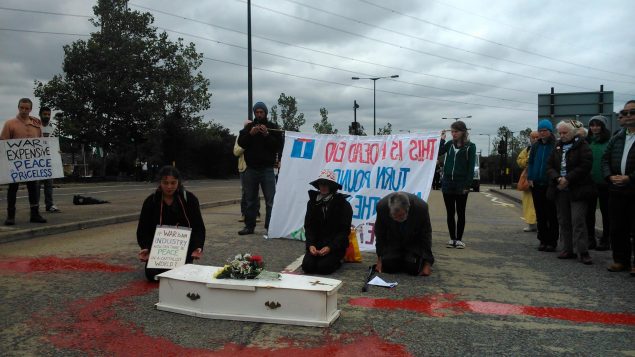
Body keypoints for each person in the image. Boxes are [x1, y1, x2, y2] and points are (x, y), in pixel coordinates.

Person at [136, 166, 206, 281]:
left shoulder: (190, 199)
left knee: (184, 274)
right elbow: (143, 229)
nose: (169, 187)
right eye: (165, 183)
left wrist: (197, 246)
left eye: (173, 183)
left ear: (178, 182)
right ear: (160, 182)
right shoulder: (151, 201)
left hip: (183, 249)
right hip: (159, 251)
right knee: (152, 274)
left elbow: (198, 226)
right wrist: (146, 247)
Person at [546, 120, 594, 265]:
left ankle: (582, 251)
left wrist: (568, 178)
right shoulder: (557, 146)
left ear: (573, 132)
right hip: (560, 190)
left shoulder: (582, 145)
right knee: (564, 220)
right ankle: (567, 249)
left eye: (565, 132)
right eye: (560, 133)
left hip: (578, 189)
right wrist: (557, 178)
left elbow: (585, 165)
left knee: (578, 220)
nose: (562, 135)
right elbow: (549, 166)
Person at [236, 102, 282, 235]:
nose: (259, 114)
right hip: (251, 169)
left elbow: (277, 145)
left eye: (262, 112)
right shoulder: (249, 127)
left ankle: (270, 227)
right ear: (254, 113)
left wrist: (267, 134)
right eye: (257, 112)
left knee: (270, 200)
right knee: (250, 200)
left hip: (267, 169)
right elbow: (241, 143)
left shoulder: (273, 128)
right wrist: (250, 134)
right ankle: (249, 227)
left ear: (266, 113)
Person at [1, 98, 47, 225]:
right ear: (18, 107)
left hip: (32, 165)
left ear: (31, 109)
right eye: (22, 107)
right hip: (14, 165)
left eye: (27, 108)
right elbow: (3, 143)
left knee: (33, 188)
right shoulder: (10, 124)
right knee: (12, 189)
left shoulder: (36, 125)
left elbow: (41, 144)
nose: (24, 110)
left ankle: (35, 214)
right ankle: (10, 216)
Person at [602, 100, 635, 275]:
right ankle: (620, 260)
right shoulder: (618, 137)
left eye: (632, 112)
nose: (628, 115)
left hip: (632, 188)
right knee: (617, 227)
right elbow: (605, 159)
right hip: (616, 190)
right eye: (625, 112)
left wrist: (629, 177)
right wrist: (609, 176)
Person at [301, 169, 353, 275]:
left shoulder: (344, 205)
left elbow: (344, 231)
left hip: (335, 246)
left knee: (324, 268)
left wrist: (330, 247)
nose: (323, 186)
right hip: (317, 244)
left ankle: (339, 259)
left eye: (327, 184)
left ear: (332, 186)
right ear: (318, 185)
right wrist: (311, 245)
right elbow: (309, 226)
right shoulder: (312, 203)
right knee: (307, 267)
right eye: (321, 184)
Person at [374, 192, 434, 276]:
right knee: (388, 266)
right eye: (394, 216)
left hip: (413, 241)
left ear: (408, 209)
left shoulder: (421, 208)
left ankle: (410, 259)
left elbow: (426, 235)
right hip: (393, 240)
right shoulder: (382, 207)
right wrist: (379, 259)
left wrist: (427, 264)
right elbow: (380, 233)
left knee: (413, 269)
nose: (398, 219)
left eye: (401, 216)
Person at [439, 120, 476, 248]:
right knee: (450, 212)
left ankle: (459, 239)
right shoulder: (449, 144)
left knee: (460, 212)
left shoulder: (470, 147)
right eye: (452, 131)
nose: (454, 134)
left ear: (463, 132)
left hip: (461, 183)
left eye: (456, 131)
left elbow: (471, 168)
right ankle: (452, 239)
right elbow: (438, 152)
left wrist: (467, 185)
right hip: (448, 182)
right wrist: (442, 139)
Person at [527, 119, 558, 252]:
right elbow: (531, 162)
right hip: (536, 183)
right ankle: (543, 240)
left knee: (551, 213)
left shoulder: (556, 145)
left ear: (550, 131)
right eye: (540, 131)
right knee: (540, 214)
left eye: (545, 130)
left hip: (550, 184)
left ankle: (552, 241)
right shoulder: (536, 146)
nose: (542, 133)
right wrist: (530, 177)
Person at [586, 115, 611, 251]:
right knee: (589, 212)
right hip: (589, 183)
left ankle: (606, 239)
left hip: (606, 183)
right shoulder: (587, 141)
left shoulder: (609, 142)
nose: (594, 128)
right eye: (592, 125)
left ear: (603, 126)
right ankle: (590, 239)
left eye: (597, 125)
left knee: (606, 213)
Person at [233, 123, 260, 224]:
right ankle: (244, 214)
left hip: (255, 167)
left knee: (254, 191)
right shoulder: (240, 137)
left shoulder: (258, 136)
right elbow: (236, 152)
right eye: (247, 126)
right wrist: (245, 145)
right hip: (244, 168)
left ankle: (256, 214)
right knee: (245, 192)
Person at [37, 107, 61, 213]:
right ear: (40, 114)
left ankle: (49, 205)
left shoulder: (53, 128)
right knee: (36, 185)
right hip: (37, 160)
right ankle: (35, 206)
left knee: (49, 184)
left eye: (48, 114)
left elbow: (55, 143)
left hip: (49, 160)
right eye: (45, 114)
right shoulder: (36, 127)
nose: (47, 116)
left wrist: (58, 151)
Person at [517, 131, 539, 232]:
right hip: (528, 179)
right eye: (532, 137)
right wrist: (527, 161)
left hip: (540, 179)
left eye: (536, 137)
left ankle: (539, 223)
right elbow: (519, 160)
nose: (534, 139)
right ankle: (531, 224)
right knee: (528, 203)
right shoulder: (527, 149)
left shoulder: (543, 148)